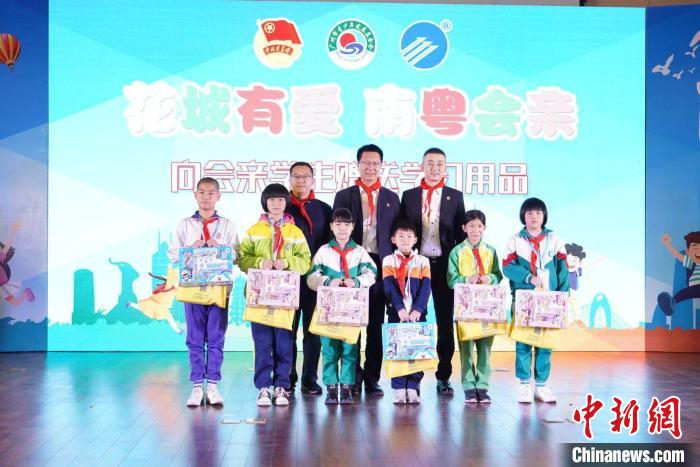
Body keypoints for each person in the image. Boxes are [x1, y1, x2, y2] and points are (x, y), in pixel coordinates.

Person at [333, 144, 400, 396]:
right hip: (351, 266)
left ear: (381, 166)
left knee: (375, 323)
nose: (370, 167)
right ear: (358, 164)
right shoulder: (345, 195)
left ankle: (372, 378)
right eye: (366, 163)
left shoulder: (392, 198)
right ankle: (352, 376)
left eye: (375, 163)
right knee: (352, 323)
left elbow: (397, 236)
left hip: (381, 267)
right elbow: (336, 229)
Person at [168, 177, 240, 407]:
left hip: (219, 290)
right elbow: (172, 254)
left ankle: (214, 385)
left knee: (216, 337)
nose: (206, 197)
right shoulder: (184, 225)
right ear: (195, 195)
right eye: (202, 192)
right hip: (193, 290)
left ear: (218, 196)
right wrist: (190, 249)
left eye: (211, 193)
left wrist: (223, 249)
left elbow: (237, 255)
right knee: (195, 338)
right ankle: (197, 386)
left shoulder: (227, 225)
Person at [238, 183, 312, 407]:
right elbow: (242, 259)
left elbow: (305, 262)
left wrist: (287, 262)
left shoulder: (295, 232)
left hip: (284, 298)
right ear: (265, 202)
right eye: (272, 200)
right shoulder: (254, 230)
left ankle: (281, 385)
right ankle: (263, 387)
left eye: (280, 200)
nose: (276, 204)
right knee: (262, 343)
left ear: (286, 202)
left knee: (283, 343)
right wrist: (259, 262)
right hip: (259, 296)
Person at [400, 148, 466, 395]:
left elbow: (460, 236)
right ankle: (411, 379)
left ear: (445, 168)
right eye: (430, 163)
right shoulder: (409, 196)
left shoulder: (455, 196)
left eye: (439, 163)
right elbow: (402, 231)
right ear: (422, 166)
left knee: (445, 323)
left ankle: (443, 376)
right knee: (413, 319)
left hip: (443, 267)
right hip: (416, 267)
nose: (435, 167)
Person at [307, 208, 377, 404]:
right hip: (328, 309)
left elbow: (372, 273)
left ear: (353, 227)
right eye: (338, 224)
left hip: (351, 310)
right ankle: (331, 387)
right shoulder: (324, 251)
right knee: (329, 349)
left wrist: (357, 281)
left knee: (350, 349)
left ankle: (346, 386)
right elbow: (311, 277)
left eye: (346, 224)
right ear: (331, 226)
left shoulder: (360, 252)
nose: (342, 228)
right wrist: (328, 281)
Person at [502, 197, 569, 403]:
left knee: (545, 344)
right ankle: (524, 385)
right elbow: (507, 267)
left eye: (538, 213)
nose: (534, 216)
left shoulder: (555, 240)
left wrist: (563, 297)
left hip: (549, 299)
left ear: (544, 216)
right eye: (530, 213)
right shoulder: (515, 240)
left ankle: (541, 386)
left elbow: (563, 270)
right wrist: (528, 277)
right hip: (524, 299)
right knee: (523, 343)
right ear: (523, 216)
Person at [285, 161, 332, 395]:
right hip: (287, 280)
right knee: (287, 332)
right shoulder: (281, 207)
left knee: (313, 332)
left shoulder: (324, 209)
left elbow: (331, 245)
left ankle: (310, 379)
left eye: (305, 176)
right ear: (290, 179)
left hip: (315, 280)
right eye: (296, 176)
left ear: (313, 180)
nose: (301, 180)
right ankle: (287, 377)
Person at [446, 210, 502, 403]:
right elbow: (451, 280)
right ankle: (469, 385)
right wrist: (466, 279)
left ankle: (483, 385)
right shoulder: (457, 252)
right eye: (471, 226)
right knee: (466, 349)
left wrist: (490, 278)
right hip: (465, 308)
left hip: (487, 307)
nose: (475, 230)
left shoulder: (491, 251)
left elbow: (498, 275)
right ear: (464, 228)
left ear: (484, 228)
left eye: (479, 226)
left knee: (485, 348)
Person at [381, 219, 432, 404]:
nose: (405, 239)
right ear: (393, 239)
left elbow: (426, 287)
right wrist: (400, 308)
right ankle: (398, 387)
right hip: (397, 313)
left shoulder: (423, 261)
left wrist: (418, 309)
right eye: (401, 236)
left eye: (409, 236)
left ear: (416, 239)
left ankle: (412, 386)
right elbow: (389, 286)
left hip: (418, 314)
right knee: (397, 350)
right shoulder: (389, 260)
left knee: (417, 350)